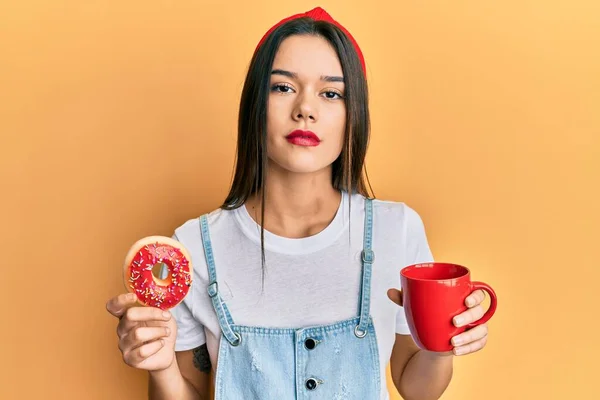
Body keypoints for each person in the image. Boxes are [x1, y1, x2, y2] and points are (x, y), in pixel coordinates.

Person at [106, 7, 490, 400]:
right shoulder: (193, 250)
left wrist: (446, 339)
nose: (305, 109)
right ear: (255, 105)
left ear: (352, 114)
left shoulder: (397, 230)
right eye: (283, 87)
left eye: (330, 93)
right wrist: (162, 366)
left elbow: (417, 388)